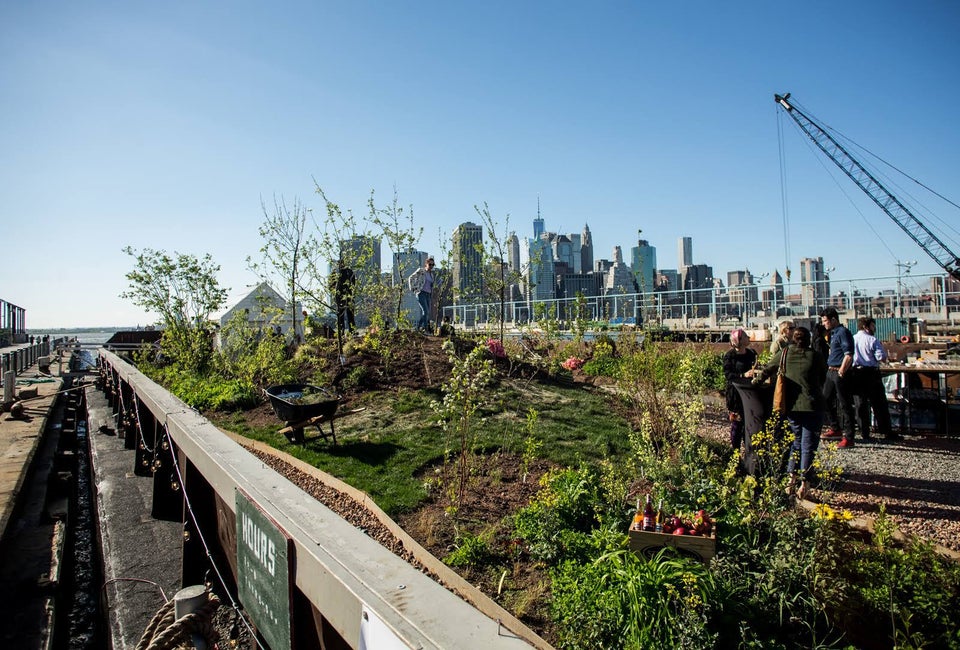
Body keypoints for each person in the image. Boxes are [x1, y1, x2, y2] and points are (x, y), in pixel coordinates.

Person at [753, 326, 827, 499]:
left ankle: (790, 481)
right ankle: (805, 484)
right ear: (809, 340)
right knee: (808, 445)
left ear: (793, 339)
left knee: (796, 442)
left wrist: (755, 383)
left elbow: (768, 369)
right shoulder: (815, 356)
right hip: (813, 406)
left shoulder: (785, 353)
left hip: (792, 406)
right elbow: (823, 378)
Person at [851, 316, 899, 441]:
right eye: (873, 326)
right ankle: (886, 431)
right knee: (879, 404)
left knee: (860, 405)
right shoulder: (873, 340)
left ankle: (864, 432)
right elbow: (881, 357)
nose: (874, 328)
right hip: (871, 374)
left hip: (856, 374)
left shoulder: (852, 339)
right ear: (866, 327)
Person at [820, 307, 857, 448]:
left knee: (845, 403)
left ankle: (848, 436)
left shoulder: (843, 333)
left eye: (825, 321)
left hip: (839, 372)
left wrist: (842, 370)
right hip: (831, 370)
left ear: (833, 319)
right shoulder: (833, 333)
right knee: (825, 399)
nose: (824, 324)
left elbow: (849, 354)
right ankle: (835, 427)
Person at [723, 328, 758, 450]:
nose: (748, 337)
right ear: (739, 340)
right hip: (736, 394)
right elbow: (728, 375)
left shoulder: (751, 353)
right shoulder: (730, 356)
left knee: (749, 423)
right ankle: (735, 453)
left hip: (749, 392)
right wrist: (743, 375)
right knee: (737, 424)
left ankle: (749, 453)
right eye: (745, 336)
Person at [408, 257, 436, 333]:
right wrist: (413, 288)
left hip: (428, 294)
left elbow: (430, 285)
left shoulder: (431, 274)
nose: (431, 266)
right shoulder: (421, 271)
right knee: (426, 311)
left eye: (433, 265)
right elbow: (411, 277)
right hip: (421, 293)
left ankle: (418, 328)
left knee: (427, 313)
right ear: (426, 264)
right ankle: (426, 330)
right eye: (430, 264)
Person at [333, 259, 356, 337]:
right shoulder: (349, 272)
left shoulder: (337, 273)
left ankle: (343, 331)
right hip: (347, 296)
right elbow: (353, 284)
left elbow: (331, 285)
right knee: (347, 315)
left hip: (342, 296)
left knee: (342, 315)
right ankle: (350, 331)